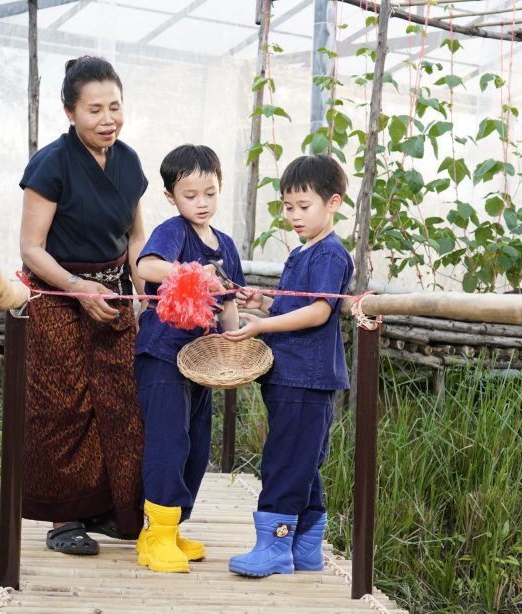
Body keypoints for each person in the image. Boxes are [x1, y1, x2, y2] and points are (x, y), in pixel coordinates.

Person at [18, 56, 147, 555]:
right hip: (57, 297)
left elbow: (136, 237)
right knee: (63, 405)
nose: (108, 118)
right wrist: (77, 287)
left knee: (122, 400)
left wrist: (144, 296)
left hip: (112, 293)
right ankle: (64, 519)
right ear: (70, 112)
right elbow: (30, 248)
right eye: (95, 109)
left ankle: (110, 511)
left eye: (115, 107)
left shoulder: (129, 160)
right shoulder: (50, 163)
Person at [223, 154, 354, 577]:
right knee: (301, 461)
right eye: (288, 207)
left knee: (284, 461)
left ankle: (275, 547)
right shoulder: (304, 251)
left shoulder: (330, 254)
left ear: (332, 203)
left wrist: (261, 326)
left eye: (304, 206)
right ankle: (307, 546)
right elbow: (295, 302)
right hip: (290, 375)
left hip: (308, 377)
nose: (295, 216)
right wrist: (262, 303)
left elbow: (318, 312)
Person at [134, 145, 245, 573]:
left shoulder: (227, 246)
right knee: (169, 442)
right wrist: (192, 274)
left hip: (202, 360)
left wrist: (232, 347)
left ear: (220, 190)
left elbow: (229, 301)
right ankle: (154, 536)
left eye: (210, 193)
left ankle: (174, 526)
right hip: (162, 355)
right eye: (190, 195)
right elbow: (147, 267)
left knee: (197, 445)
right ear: (171, 197)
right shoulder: (173, 232)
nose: (201, 203)